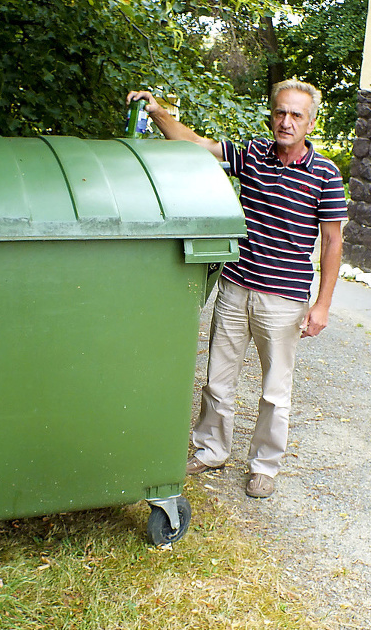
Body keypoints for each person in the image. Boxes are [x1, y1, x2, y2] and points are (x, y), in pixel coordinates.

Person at [126, 80, 348, 498]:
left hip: (283, 299)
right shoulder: (251, 155)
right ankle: (210, 450)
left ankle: (265, 465)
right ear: (272, 115)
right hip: (235, 287)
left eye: (296, 115)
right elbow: (194, 144)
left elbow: (333, 241)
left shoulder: (325, 174)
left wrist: (323, 305)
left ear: (310, 122)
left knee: (274, 390)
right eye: (280, 112)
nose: (286, 122)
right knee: (217, 380)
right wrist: (156, 112)